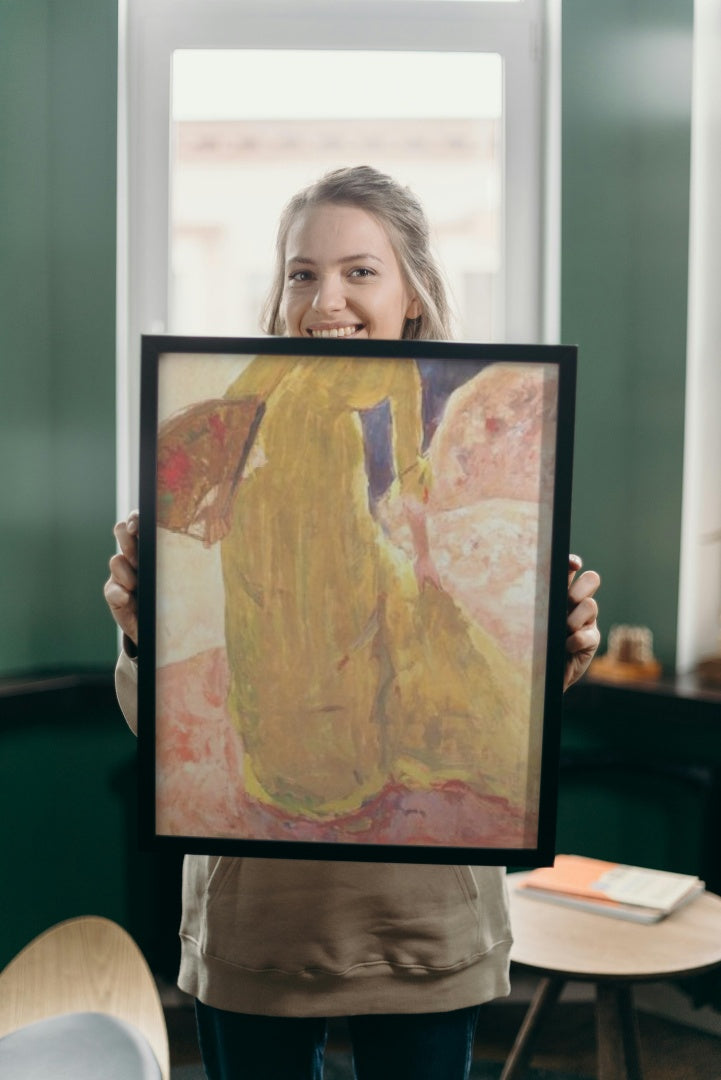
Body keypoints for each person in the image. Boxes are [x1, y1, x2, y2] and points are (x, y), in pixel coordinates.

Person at [105, 166, 601, 1080]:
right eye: (301, 272)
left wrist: (557, 648)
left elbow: (494, 706)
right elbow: (167, 730)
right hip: (257, 925)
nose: (324, 298)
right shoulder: (232, 431)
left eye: (358, 272)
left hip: (423, 924)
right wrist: (141, 634)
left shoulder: (461, 431)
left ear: (411, 291)